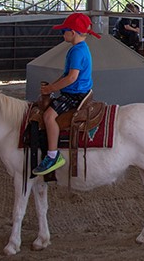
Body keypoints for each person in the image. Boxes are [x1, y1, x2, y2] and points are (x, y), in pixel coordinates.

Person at [32, 13, 101, 176]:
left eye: (64, 31)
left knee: (49, 117)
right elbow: (65, 75)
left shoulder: (77, 51)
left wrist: (50, 90)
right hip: (77, 91)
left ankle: (53, 155)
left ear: (74, 32)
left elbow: (71, 77)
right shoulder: (79, 49)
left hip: (74, 95)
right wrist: (53, 86)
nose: (63, 34)